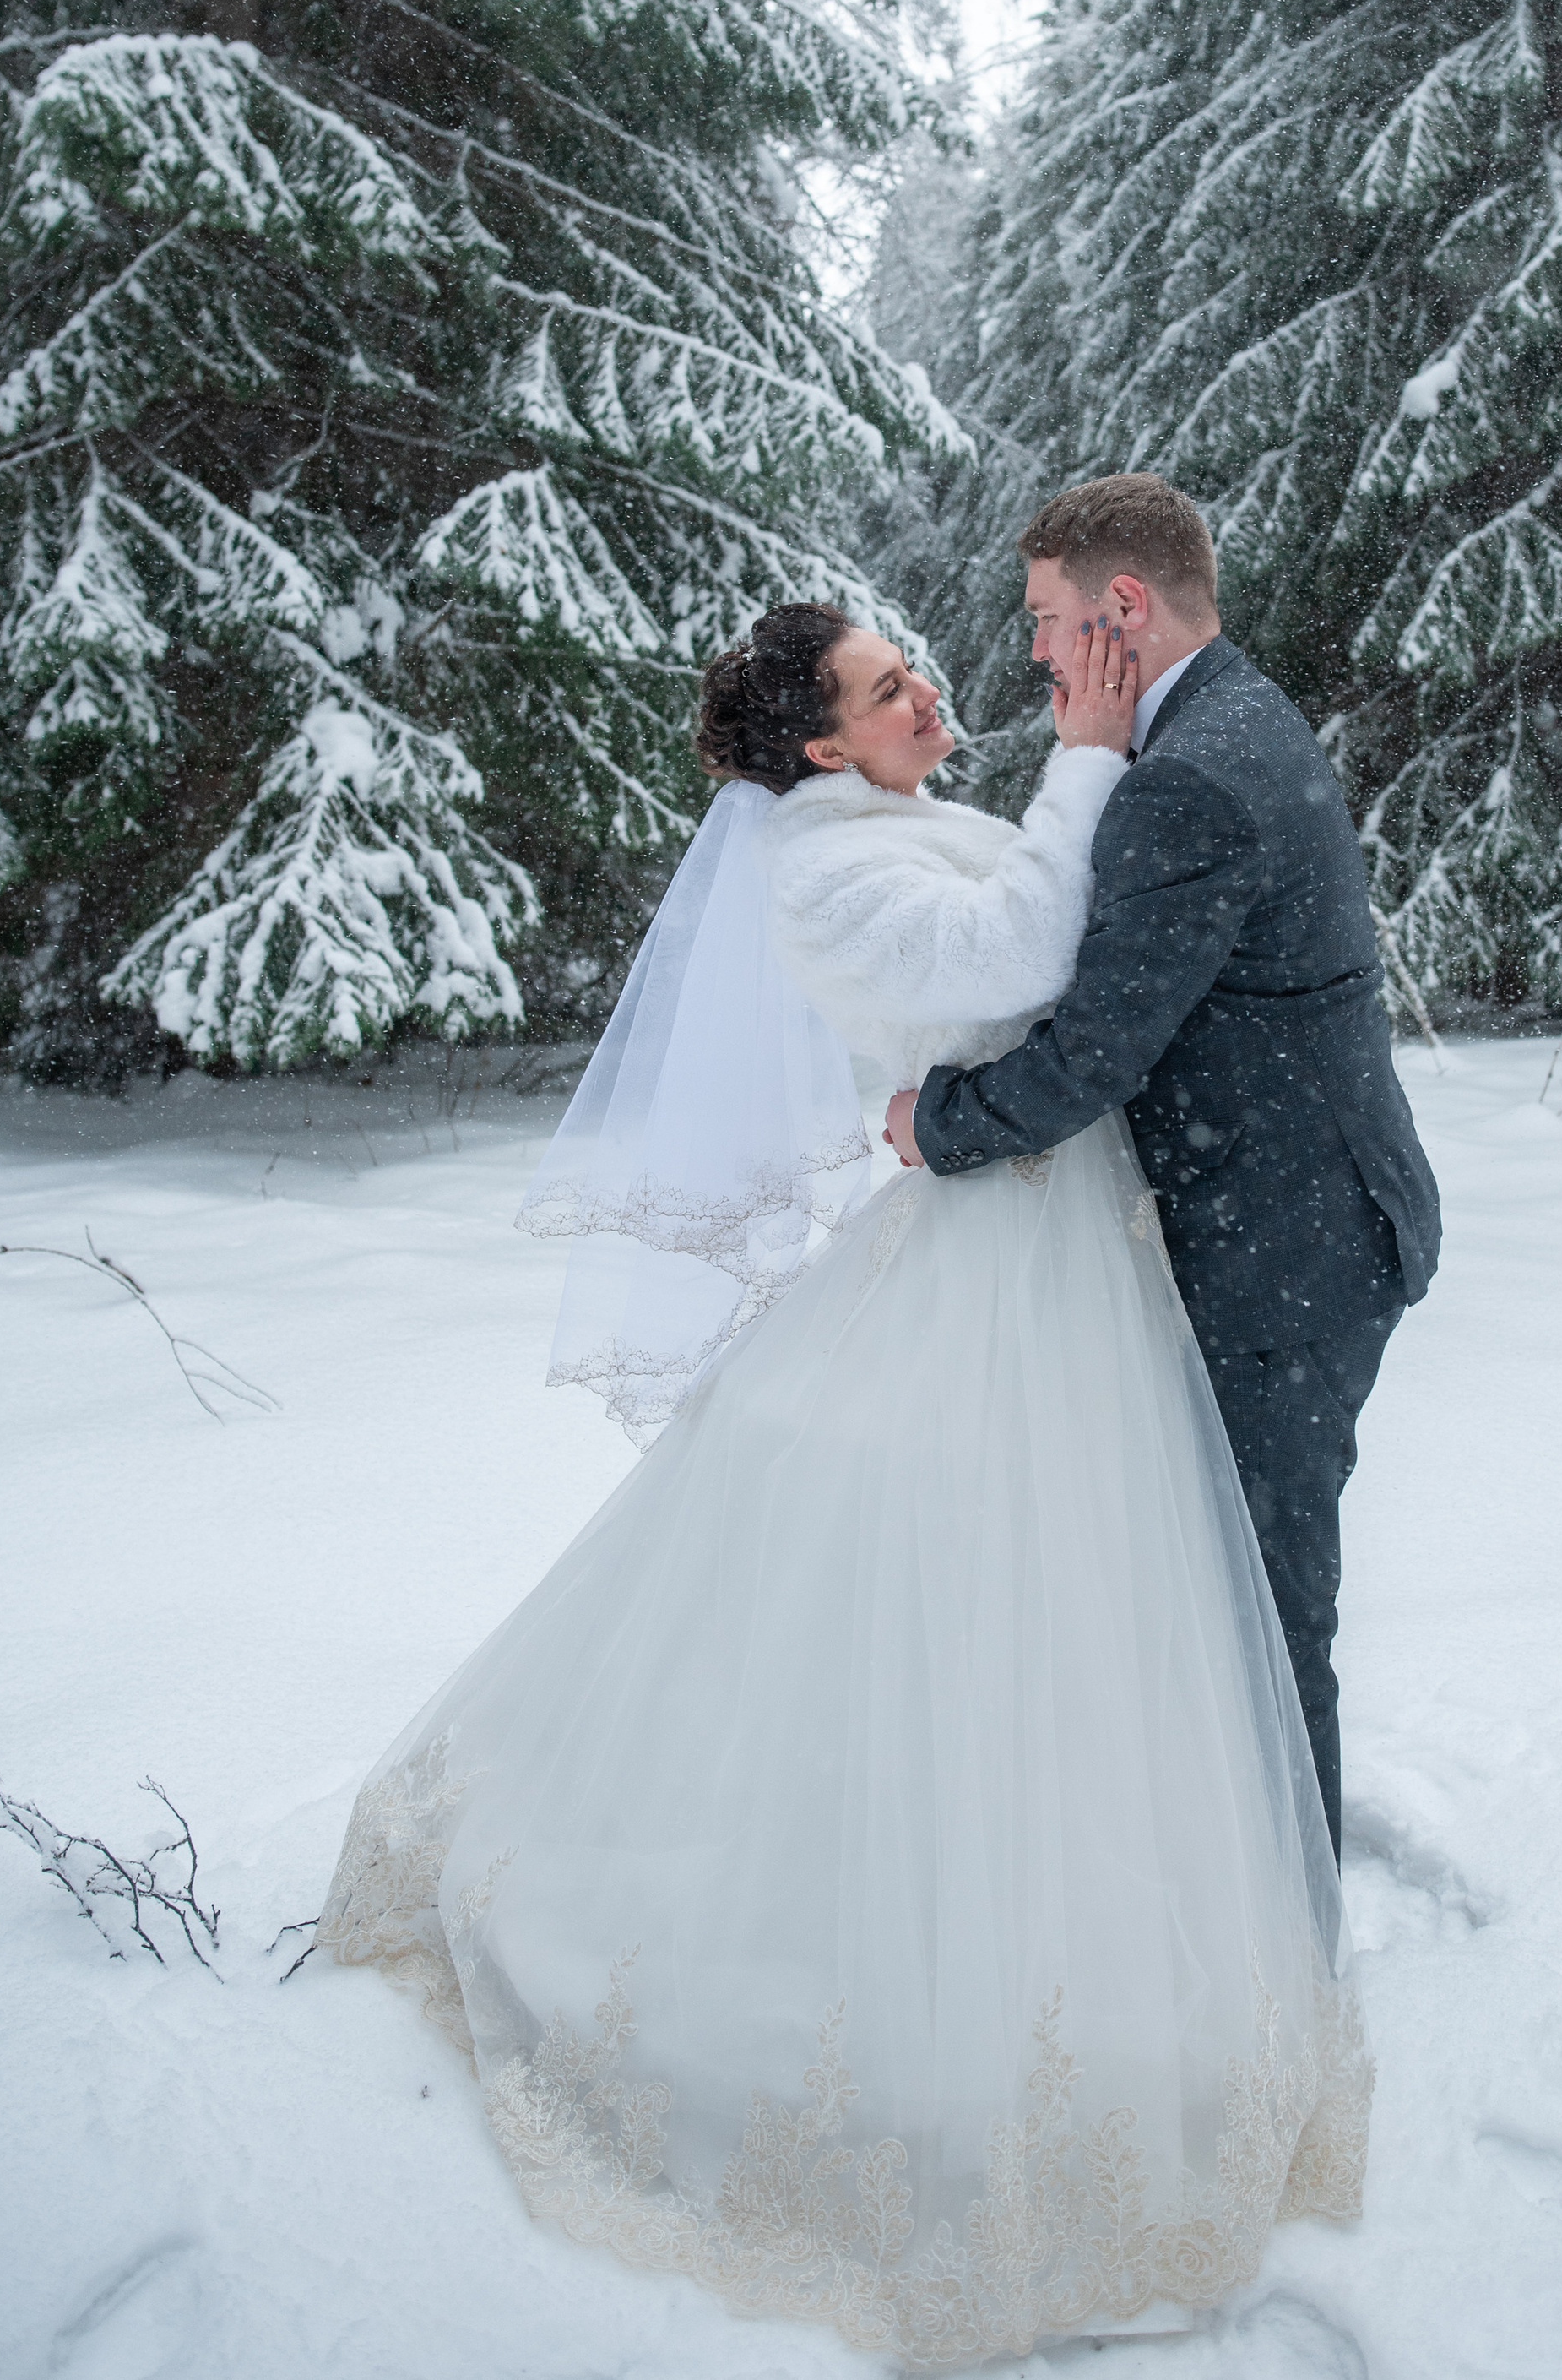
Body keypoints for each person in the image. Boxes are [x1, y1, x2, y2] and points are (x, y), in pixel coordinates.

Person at [315, 595, 1369, 2368]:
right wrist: (1094, 752)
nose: (926, 689)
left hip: (1058, 1244)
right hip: (991, 1261)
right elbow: (1019, 955)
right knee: (965, 1588)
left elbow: (1062, 914)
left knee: (1089, 1598)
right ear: (818, 742)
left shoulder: (893, 820)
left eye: (914, 667)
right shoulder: (818, 869)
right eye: (891, 687)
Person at [891, 475, 1441, 1860]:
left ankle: (1291, 1943)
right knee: (1237, 1594)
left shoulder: (1187, 777)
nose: (1030, 650)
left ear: (1120, 608)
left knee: (1264, 1607)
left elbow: (1091, 1055)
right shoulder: (1231, 711)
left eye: (1045, 618)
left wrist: (936, 1121)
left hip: (1282, 1258)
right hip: (1309, 1218)